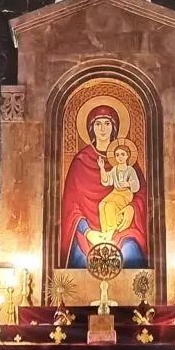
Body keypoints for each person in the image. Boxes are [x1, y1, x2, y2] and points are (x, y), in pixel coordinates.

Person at [59, 108, 147, 269]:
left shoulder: (128, 162)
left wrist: (132, 209)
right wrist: (88, 232)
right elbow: (71, 206)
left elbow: (141, 193)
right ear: (91, 128)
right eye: (98, 124)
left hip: (122, 228)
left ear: (114, 128)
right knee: (81, 262)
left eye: (107, 123)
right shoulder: (81, 161)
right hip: (88, 233)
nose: (102, 129)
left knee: (131, 255)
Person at [96, 142, 141, 242]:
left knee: (110, 206)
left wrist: (128, 184)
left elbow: (136, 185)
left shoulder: (130, 170)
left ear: (127, 156)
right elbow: (107, 181)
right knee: (102, 204)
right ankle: (104, 232)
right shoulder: (115, 169)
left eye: (122, 154)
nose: (120, 157)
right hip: (115, 192)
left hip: (126, 193)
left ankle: (111, 232)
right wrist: (102, 168)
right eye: (117, 155)